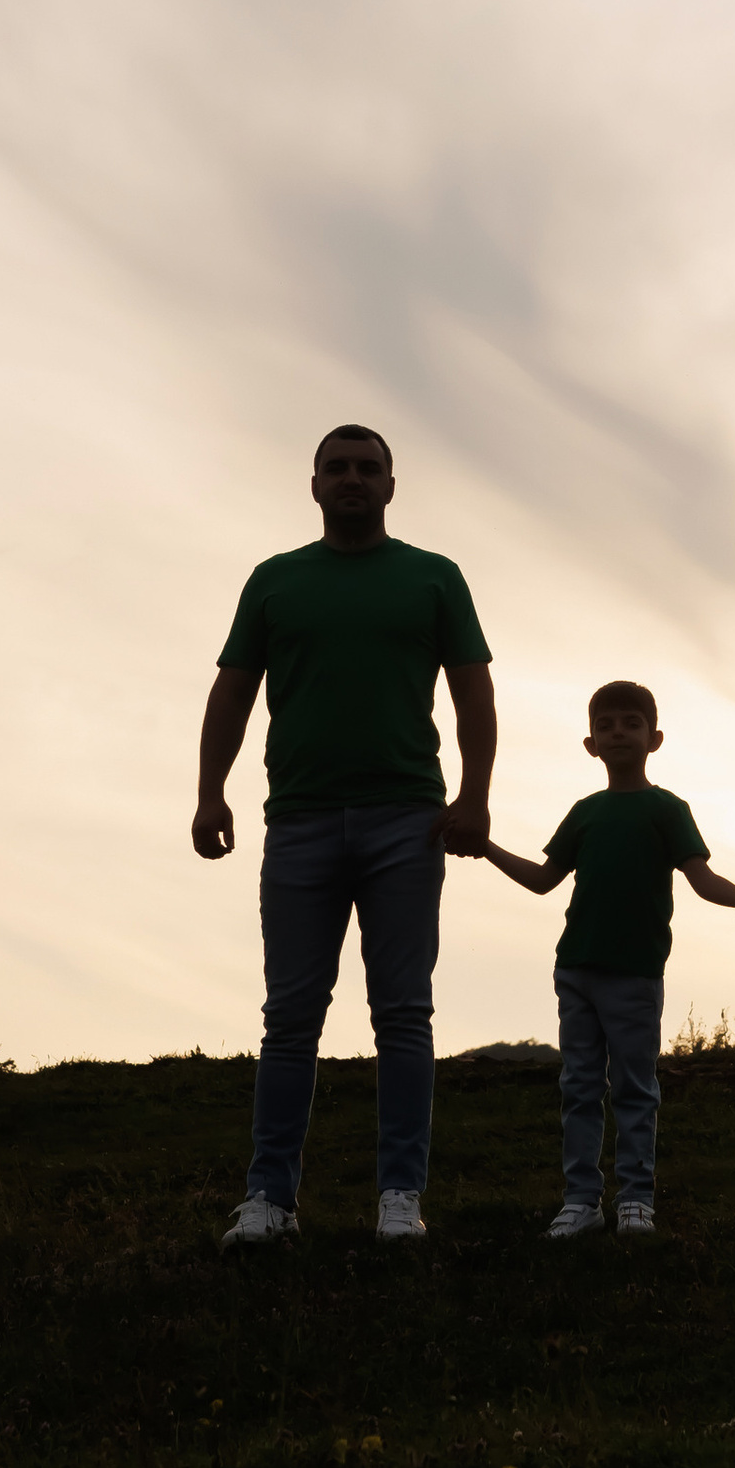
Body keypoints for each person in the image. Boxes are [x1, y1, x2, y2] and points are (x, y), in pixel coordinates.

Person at [192, 424, 494, 1244]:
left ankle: (401, 1198)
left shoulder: (434, 578)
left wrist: (475, 796)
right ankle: (269, 1200)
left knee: (402, 1014)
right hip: (299, 820)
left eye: (368, 468)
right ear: (315, 484)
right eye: (338, 468)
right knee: (291, 1016)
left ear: (391, 485)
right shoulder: (275, 581)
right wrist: (209, 793)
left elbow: (474, 697)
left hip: (407, 819)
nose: (353, 479)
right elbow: (232, 694)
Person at [480, 680, 735, 1239]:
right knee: (579, 1087)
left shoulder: (667, 809)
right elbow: (543, 881)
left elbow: (701, 877)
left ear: (654, 738)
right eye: (606, 725)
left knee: (635, 1087)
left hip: (635, 974)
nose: (618, 733)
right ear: (590, 743)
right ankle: (582, 1201)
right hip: (576, 969)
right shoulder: (584, 813)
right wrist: (485, 846)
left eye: (630, 723)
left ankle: (636, 1200)